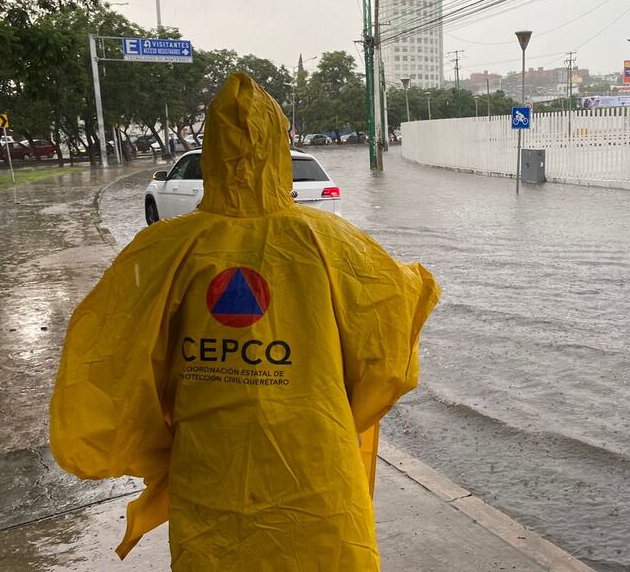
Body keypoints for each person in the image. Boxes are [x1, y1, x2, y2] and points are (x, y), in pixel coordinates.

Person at [50, 72, 440, 570]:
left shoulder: (169, 247)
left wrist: (158, 448)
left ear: (210, 150)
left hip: (211, 471)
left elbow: (111, 358)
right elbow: (390, 351)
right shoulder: (335, 244)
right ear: (281, 146)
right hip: (316, 474)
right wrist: (336, 417)